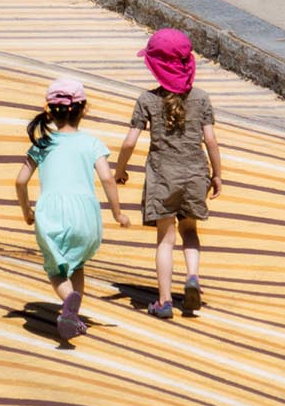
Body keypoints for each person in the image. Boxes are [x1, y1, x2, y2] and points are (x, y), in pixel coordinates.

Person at [114, 29, 224, 320]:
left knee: (165, 238)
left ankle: (164, 300)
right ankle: (192, 277)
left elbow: (129, 141)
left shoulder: (147, 100)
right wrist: (217, 175)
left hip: (162, 176)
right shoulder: (201, 99)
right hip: (195, 173)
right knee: (190, 230)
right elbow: (210, 140)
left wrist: (120, 169)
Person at [13, 78, 128, 341]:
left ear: (49, 111)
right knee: (77, 265)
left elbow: (20, 181)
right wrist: (117, 213)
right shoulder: (92, 143)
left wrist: (26, 211)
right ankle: (73, 315)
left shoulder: (42, 144)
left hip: (52, 213)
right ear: (84, 109)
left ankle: (68, 304)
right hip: (86, 215)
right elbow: (108, 179)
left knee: (55, 270)